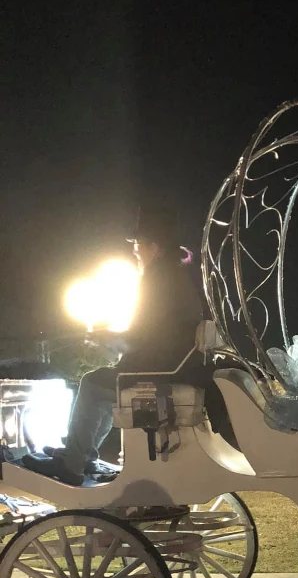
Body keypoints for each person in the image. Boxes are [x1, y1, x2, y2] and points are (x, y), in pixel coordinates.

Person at [26, 205, 204, 486]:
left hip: (161, 371)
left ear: (154, 248)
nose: (134, 251)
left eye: (137, 245)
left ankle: (73, 462)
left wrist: (106, 337)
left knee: (92, 383)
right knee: (104, 381)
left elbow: (140, 338)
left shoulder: (156, 281)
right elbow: (153, 332)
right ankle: (82, 454)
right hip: (172, 365)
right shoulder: (176, 278)